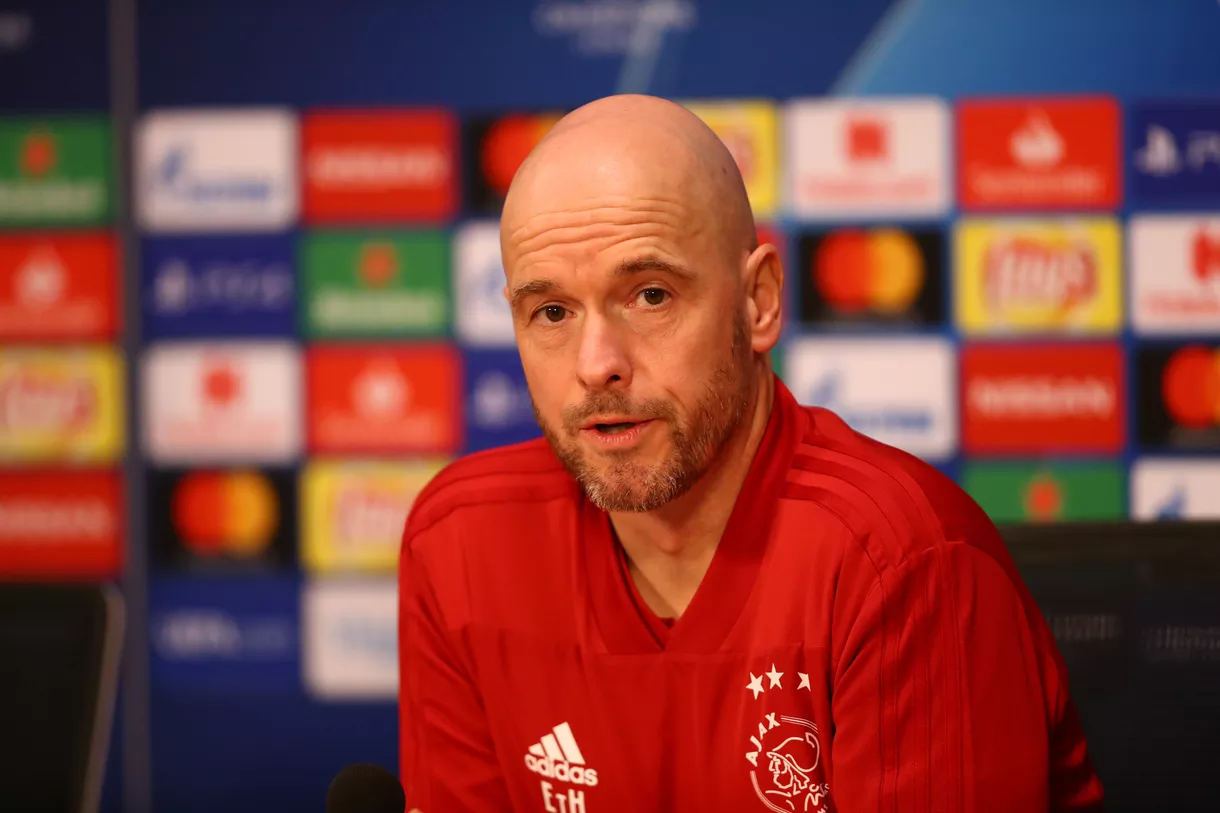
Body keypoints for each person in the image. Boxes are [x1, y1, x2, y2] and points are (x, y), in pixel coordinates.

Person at [398, 94, 1104, 813]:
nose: (596, 364)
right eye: (551, 312)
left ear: (758, 301)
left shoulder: (901, 562)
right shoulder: (459, 544)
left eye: (649, 295)